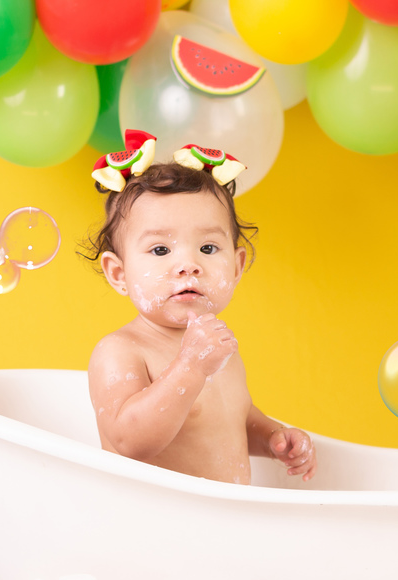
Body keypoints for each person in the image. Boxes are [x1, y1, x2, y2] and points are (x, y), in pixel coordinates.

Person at [82, 132, 316, 485]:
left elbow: (230, 418)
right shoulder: (120, 352)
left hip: (219, 523)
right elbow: (129, 440)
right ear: (119, 273)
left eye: (208, 248)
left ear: (237, 268)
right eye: (161, 250)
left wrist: (270, 436)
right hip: (154, 524)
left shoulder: (214, 345)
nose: (188, 265)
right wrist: (190, 367)